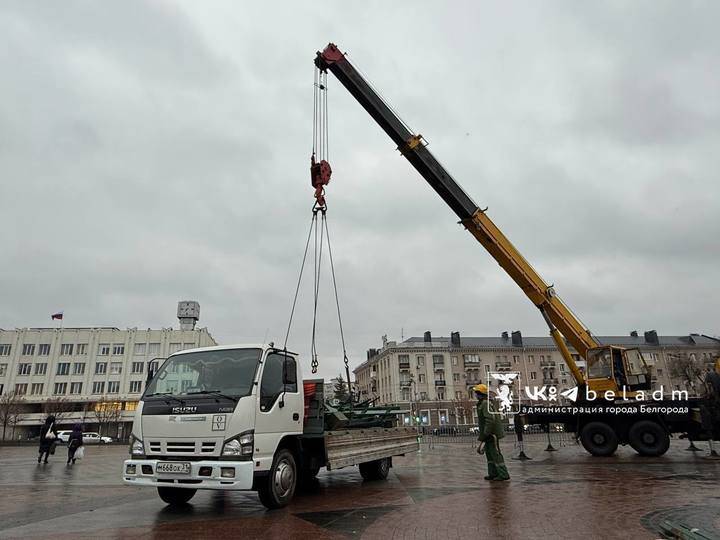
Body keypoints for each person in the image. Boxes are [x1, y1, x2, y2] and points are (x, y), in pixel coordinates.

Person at [474, 384, 510, 482]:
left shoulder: (485, 403)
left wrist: (486, 433)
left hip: (491, 434)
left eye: (476, 393)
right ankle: (493, 473)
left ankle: (503, 474)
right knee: (489, 454)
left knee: (495, 453)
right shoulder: (483, 403)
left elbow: (490, 419)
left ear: (480, 394)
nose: (475, 395)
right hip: (488, 433)